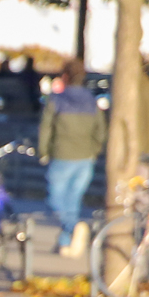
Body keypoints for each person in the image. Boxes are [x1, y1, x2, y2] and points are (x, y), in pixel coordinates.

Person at [38, 58, 106, 256]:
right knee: (73, 199)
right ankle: (65, 242)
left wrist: (44, 151)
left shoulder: (56, 100)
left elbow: (46, 129)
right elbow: (100, 131)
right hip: (85, 157)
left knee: (56, 199)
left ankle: (73, 227)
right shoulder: (92, 101)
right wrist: (94, 149)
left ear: (65, 77)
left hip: (62, 154)